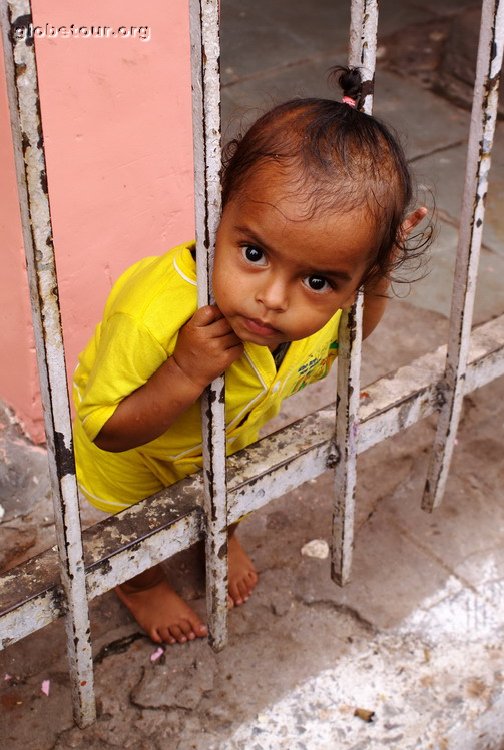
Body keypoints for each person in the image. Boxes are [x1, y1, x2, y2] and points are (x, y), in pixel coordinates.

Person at [73, 67, 431, 645]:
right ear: (221, 207)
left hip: (225, 443)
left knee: (231, 490)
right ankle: (138, 587)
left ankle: (220, 532)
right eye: (254, 252)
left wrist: (378, 278)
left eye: (319, 280)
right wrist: (184, 372)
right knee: (129, 535)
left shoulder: (316, 313)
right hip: (133, 458)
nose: (272, 298)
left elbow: (353, 337)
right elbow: (106, 432)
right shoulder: (154, 314)